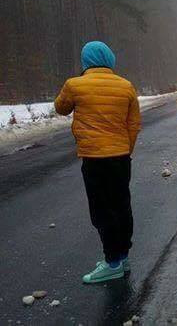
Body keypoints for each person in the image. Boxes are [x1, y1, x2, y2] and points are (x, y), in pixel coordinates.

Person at [54, 41, 140, 284]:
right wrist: (126, 149)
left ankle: (112, 262)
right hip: (121, 157)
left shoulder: (74, 85)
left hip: (94, 158)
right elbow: (133, 124)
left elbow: (61, 108)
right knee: (122, 205)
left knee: (102, 210)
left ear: (86, 61)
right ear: (110, 59)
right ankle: (122, 256)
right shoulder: (126, 86)